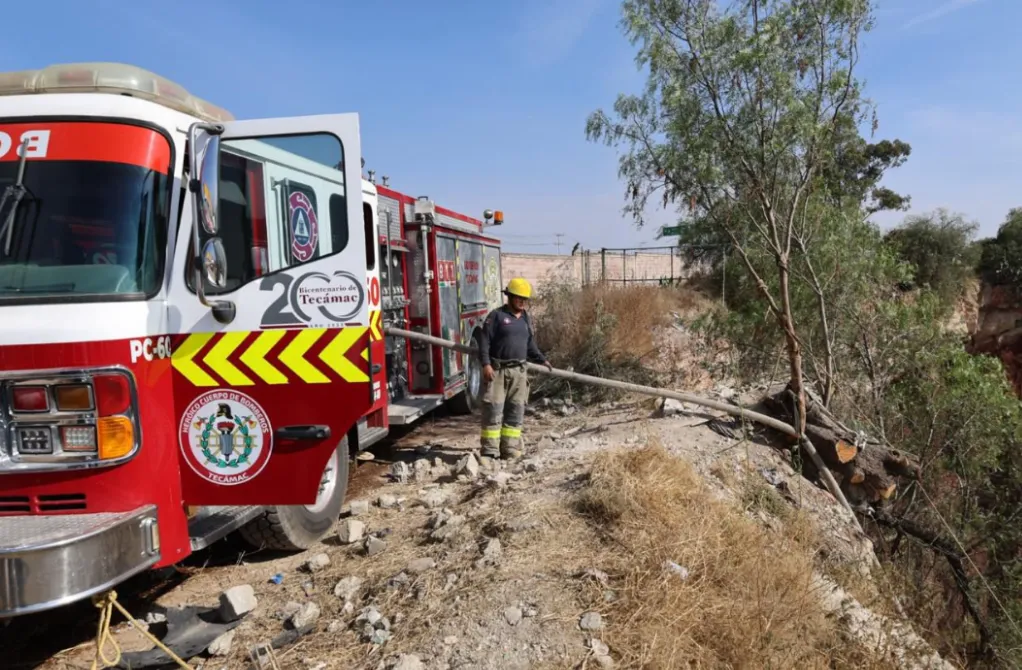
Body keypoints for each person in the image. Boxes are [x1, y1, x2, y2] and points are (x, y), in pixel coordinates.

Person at [477, 277, 552, 460]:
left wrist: (542, 359)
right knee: (493, 410)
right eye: (519, 298)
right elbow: (484, 342)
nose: (522, 302)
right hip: (498, 371)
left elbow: (529, 343)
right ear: (509, 296)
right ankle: (490, 451)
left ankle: (509, 449)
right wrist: (486, 364)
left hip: (519, 372)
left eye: (524, 299)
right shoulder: (496, 316)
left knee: (515, 411)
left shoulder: (525, 318)